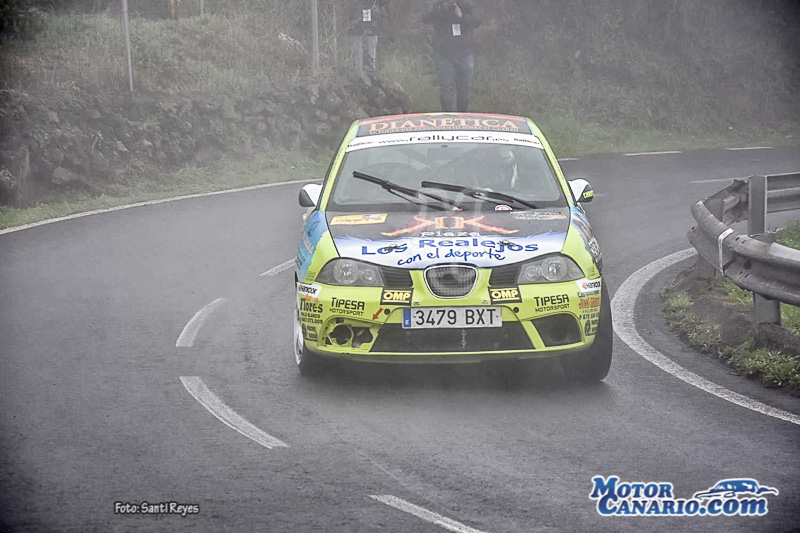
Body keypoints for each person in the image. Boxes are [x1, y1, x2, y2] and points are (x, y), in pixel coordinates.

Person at [422, 0, 481, 112]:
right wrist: (440, 9)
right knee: (446, 92)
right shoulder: (437, 5)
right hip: (444, 54)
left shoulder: (466, 4)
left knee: (464, 92)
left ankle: (462, 117)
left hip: (464, 53)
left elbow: (477, 21)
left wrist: (462, 16)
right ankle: (447, 118)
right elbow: (425, 18)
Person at [349, 0, 384, 70]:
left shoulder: (374, 4)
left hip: (371, 31)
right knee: (358, 56)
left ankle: (369, 67)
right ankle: (359, 68)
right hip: (358, 31)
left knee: (370, 52)